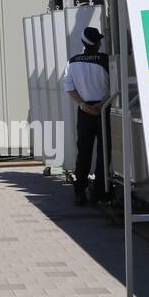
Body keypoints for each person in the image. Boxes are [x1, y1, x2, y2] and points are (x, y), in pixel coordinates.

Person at [62, 26, 110, 206]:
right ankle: (99, 191)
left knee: (84, 152)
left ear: (83, 42)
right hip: (104, 108)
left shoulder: (73, 61)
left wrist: (83, 104)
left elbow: (69, 88)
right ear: (97, 43)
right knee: (104, 152)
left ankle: (79, 191)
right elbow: (115, 86)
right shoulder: (105, 60)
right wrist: (101, 103)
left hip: (84, 111)